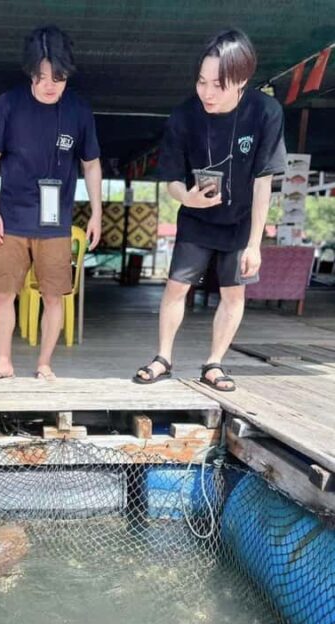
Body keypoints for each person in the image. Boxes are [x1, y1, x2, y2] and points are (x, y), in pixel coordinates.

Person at [134, 29, 286, 391]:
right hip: (197, 217)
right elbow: (170, 177)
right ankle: (163, 358)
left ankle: (214, 364)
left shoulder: (266, 112)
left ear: (242, 80)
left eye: (218, 85)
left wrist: (254, 244)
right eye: (202, 82)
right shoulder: (185, 115)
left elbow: (264, 180)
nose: (207, 92)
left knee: (234, 293)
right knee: (175, 287)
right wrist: (186, 198)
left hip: (240, 222)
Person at [0, 24, 102, 381]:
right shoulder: (8, 104)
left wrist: (96, 212)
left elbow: (91, 164)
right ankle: (3, 361)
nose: (51, 85)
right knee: (4, 294)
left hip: (56, 223)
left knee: (54, 296)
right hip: (11, 218)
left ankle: (44, 363)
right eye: (43, 76)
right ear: (31, 72)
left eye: (59, 77)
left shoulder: (79, 110)